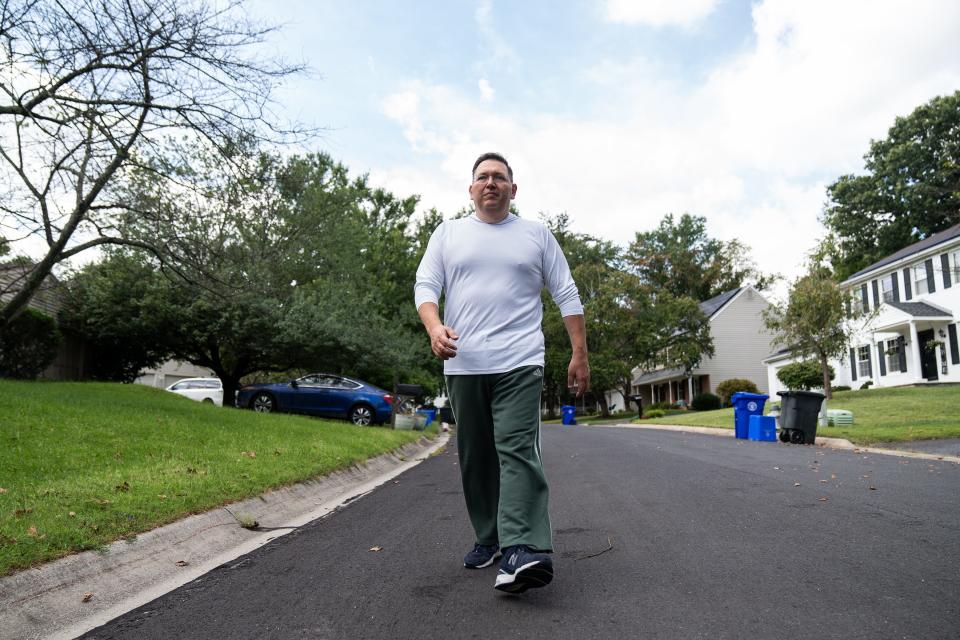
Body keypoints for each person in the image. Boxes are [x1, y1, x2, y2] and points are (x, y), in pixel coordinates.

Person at [414, 152, 590, 593]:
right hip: (464, 362)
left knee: (515, 450)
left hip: (520, 359)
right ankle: (488, 537)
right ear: (470, 189)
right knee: (476, 456)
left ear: (514, 188)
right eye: (482, 177)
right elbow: (425, 286)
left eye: (499, 177)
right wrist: (434, 327)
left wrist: (579, 352)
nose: (490, 183)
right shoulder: (449, 233)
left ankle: (521, 549)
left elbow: (565, 290)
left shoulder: (536, 235)